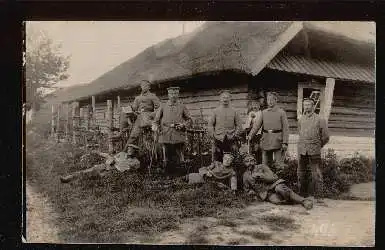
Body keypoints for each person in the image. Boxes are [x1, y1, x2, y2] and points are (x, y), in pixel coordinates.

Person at [242, 154, 313, 210]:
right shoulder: (245, 175)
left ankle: (304, 201)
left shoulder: (262, 167)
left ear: (255, 161)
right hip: (265, 193)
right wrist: (251, 192)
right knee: (276, 201)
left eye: (251, 160)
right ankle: (292, 198)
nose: (250, 163)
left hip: (274, 185)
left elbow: (274, 177)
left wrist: (262, 176)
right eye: (247, 161)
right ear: (244, 164)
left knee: (280, 189)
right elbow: (247, 189)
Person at [152, 86, 192, 174]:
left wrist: (183, 125)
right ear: (168, 95)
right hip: (165, 132)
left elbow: (189, 119)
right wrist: (155, 126)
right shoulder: (163, 106)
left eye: (175, 93)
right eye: (171, 94)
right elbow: (156, 120)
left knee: (180, 152)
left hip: (178, 132)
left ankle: (181, 170)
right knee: (165, 152)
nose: (173, 95)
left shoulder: (182, 106)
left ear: (178, 94)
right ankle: (166, 170)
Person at [297, 98, 330, 199]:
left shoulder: (320, 119)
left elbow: (325, 137)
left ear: (313, 106)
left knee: (316, 173)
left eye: (308, 105)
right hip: (303, 150)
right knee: (302, 173)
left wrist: (318, 145)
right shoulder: (301, 119)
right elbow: (300, 132)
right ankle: (303, 195)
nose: (306, 107)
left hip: (314, 150)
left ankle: (319, 196)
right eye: (305, 105)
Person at [247, 92, 289, 169]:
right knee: (266, 164)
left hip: (278, 140)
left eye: (272, 100)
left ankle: (279, 179)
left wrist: (285, 142)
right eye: (268, 100)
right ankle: (267, 179)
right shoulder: (264, 112)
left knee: (278, 164)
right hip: (266, 139)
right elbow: (256, 126)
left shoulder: (281, 112)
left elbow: (286, 129)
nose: (270, 102)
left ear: (276, 100)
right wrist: (250, 135)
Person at [60, 144, 141, 183]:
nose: (130, 151)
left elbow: (130, 170)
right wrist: (110, 160)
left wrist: (118, 165)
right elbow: (111, 157)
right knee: (88, 171)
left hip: (114, 172)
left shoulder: (136, 162)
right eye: (129, 149)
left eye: (132, 150)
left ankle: (77, 183)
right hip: (106, 166)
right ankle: (68, 178)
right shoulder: (122, 154)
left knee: (97, 178)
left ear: (135, 152)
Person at [208, 89, 242, 162]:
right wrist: (213, 135)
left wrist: (234, 135)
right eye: (223, 97)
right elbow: (210, 125)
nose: (225, 99)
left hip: (231, 139)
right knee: (217, 160)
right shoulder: (215, 111)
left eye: (227, 97)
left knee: (231, 160)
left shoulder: (235, 111)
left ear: (230, 98)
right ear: (220, 99)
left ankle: (231, 172)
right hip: (218, 139)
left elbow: (239, 126)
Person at [125, 80, 160, 146]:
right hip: (139, 116)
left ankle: (129, 147)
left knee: (140, 119)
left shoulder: (152, 96)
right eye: (142, 86)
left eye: (145, 86)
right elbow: (134, 108)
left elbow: (159, 108)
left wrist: (153, 114)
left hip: (148, 115)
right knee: (123, 114)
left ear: (149, 87)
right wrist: (129, 109)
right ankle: (122, 133)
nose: (143, 87)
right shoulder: (138, 98)